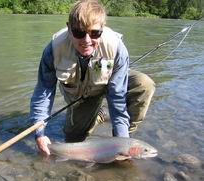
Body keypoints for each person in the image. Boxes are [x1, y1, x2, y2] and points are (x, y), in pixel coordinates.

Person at [29, 0, 155, 156]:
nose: (87, 41)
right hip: (82, 97)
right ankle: (97, 115)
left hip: (108, 83)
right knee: (73, 139)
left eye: (95, 33)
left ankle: (123, 137)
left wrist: (123, 144)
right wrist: (39, 133)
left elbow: (117, 98)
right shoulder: (53, 50)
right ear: (69, 28)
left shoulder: (117, 49)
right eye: (79, 33)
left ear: (103, 28)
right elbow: (44, 93)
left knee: (144, 84)